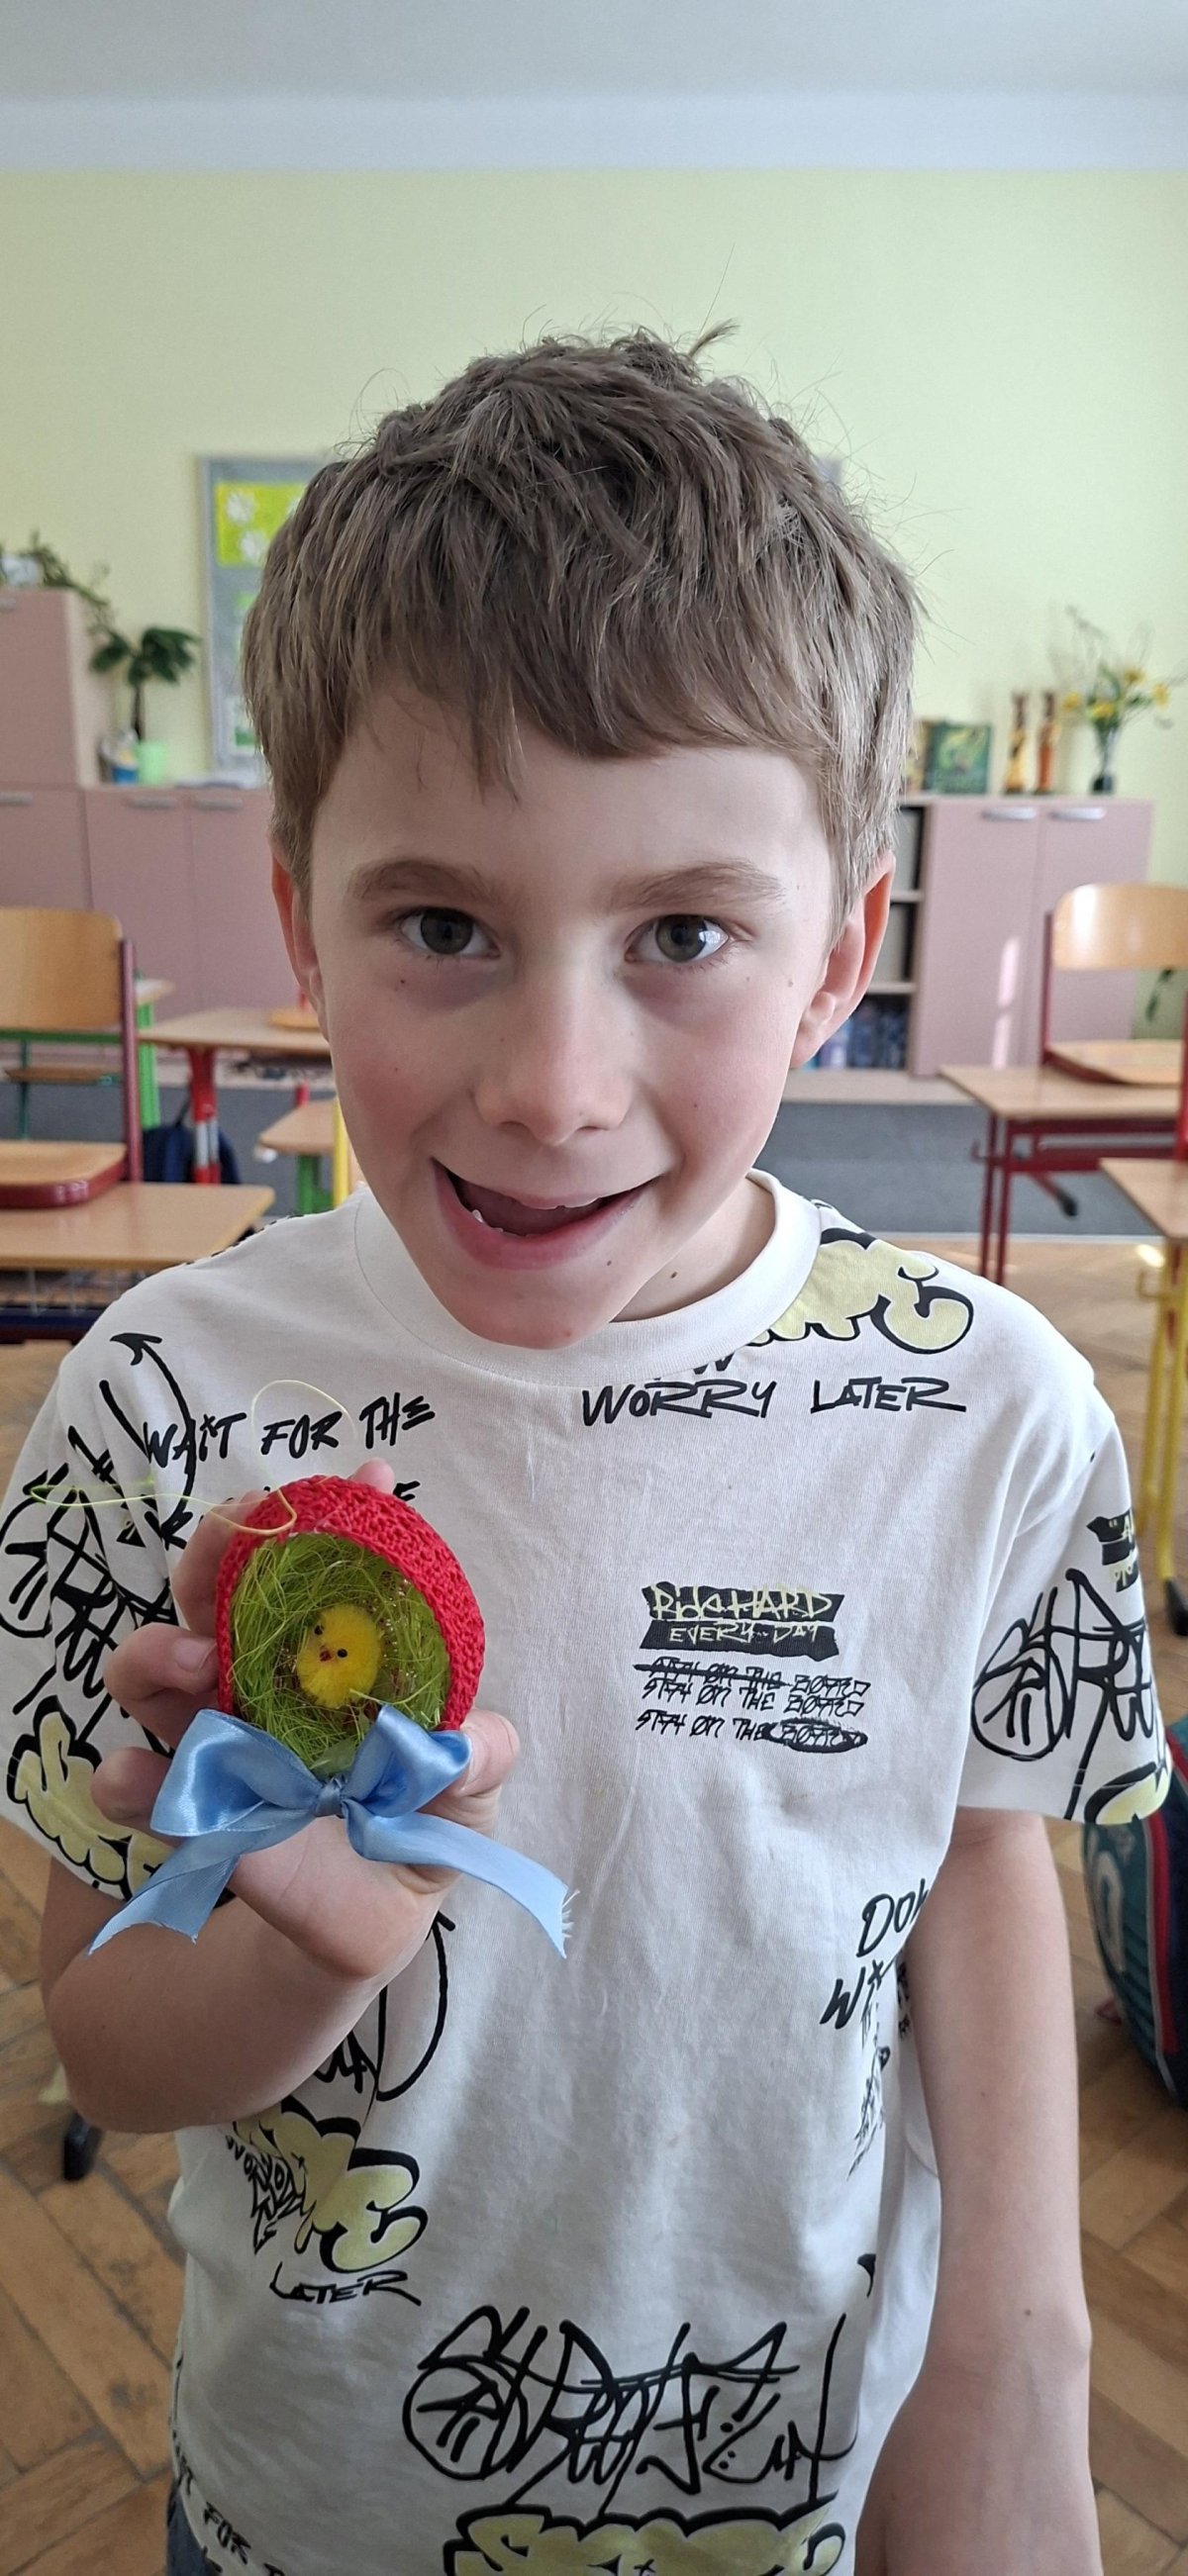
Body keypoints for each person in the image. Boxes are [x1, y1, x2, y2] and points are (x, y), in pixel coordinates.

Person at [0, 332, 1168, 2576]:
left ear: (840, 952)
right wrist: (293, 1961)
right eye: (443, 924)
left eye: (685, 936)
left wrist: (1019, 2366)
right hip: (311, 2512)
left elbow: (978, 1863)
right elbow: (107, 2045)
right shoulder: (164, 1401)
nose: (553, 1084)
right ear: (299, 910)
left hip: (800, 2496)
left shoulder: (985, 1410)